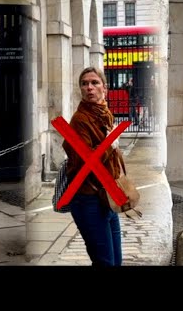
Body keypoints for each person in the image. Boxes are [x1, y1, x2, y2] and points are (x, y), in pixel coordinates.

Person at [62, 66, 124, 267]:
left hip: (107, 195)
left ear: (104, 88)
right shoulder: (80, 120)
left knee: (116, 261)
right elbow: (84, 162)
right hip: (87, 198)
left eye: (94, 82)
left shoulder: (105, 114)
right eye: (84, 83)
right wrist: (110, 143)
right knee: (105, 262)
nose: (89, 87)